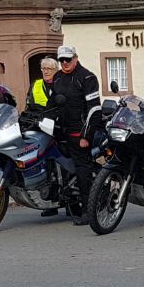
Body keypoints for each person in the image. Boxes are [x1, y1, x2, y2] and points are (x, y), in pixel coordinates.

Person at [49, 45, 102, 225]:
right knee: (62, 168)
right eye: (61, 60)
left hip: (79, 133)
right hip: (61, 132)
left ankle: (89, 210)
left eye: (68, 59)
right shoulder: (57, 78)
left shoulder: (87, 77)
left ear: (75, 58)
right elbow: (51, 104)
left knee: (82, 170)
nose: (64, 63)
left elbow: (94, 109)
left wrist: (86, 136)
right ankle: (69, 205)